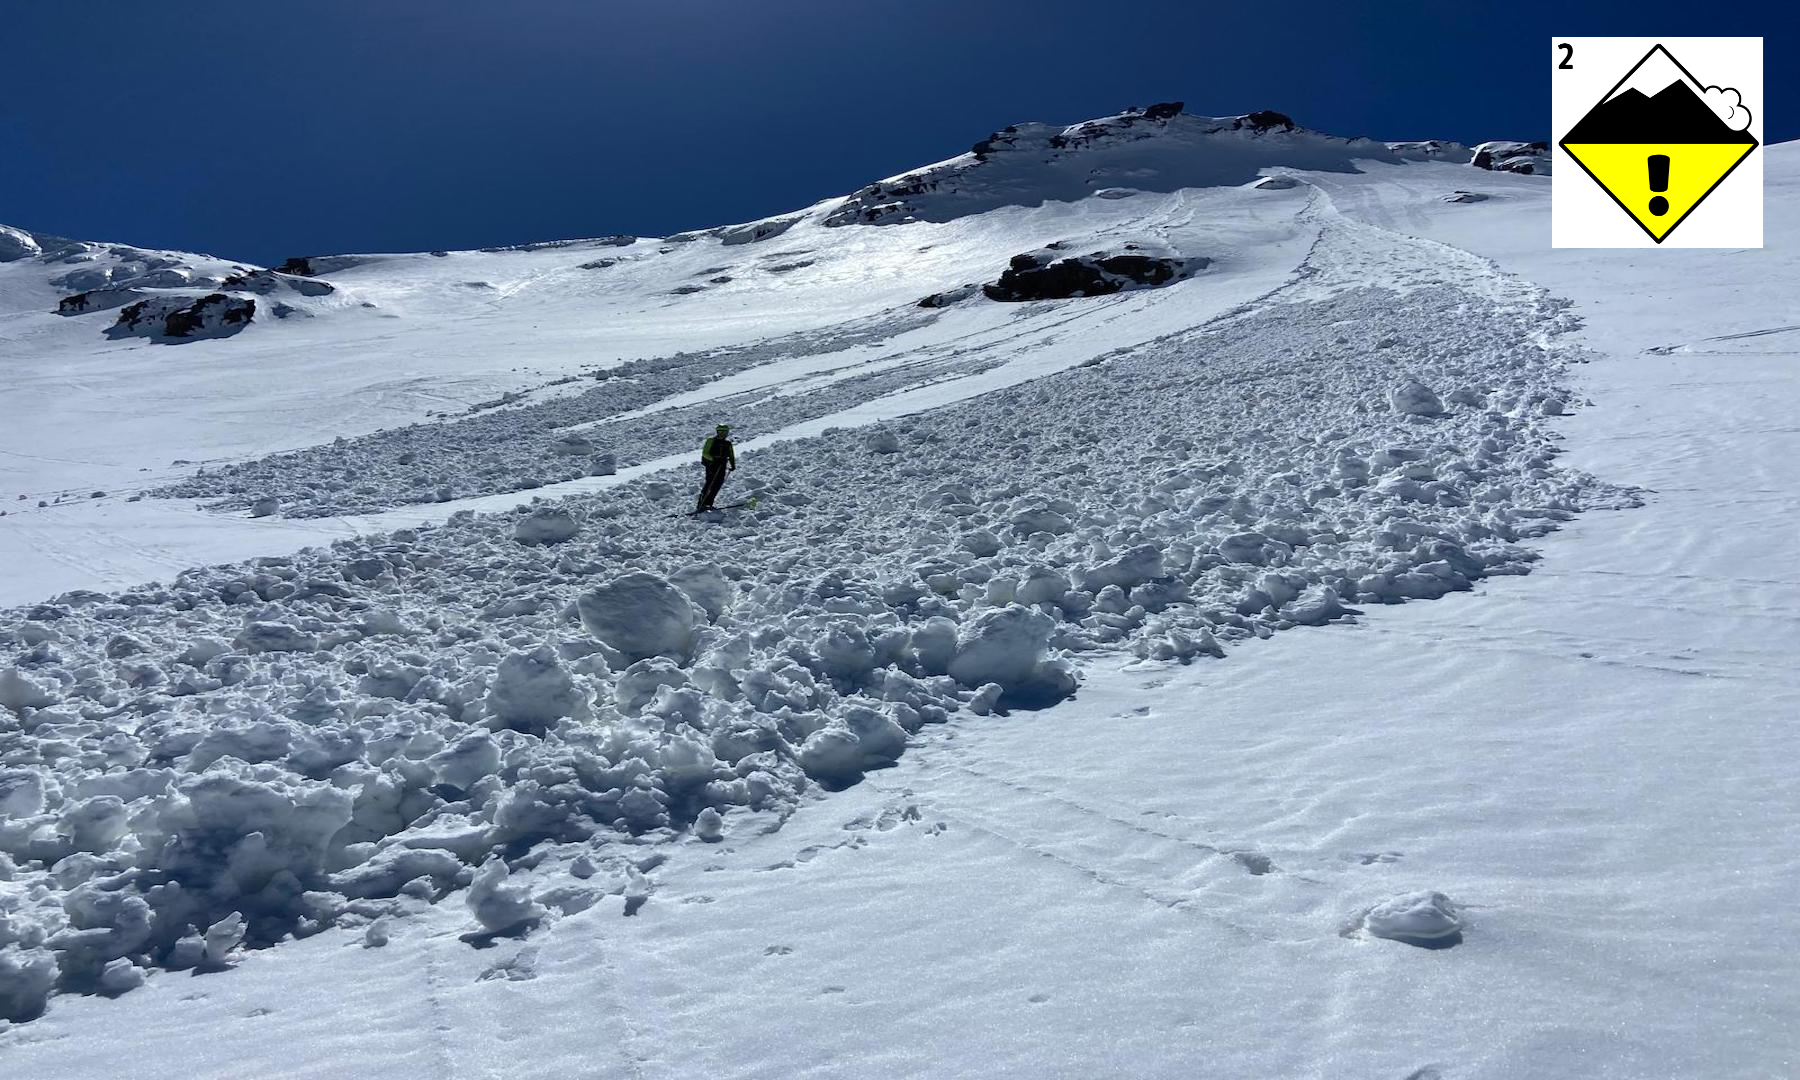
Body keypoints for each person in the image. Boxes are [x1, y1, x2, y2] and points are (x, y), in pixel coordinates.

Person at [696, 423, 736, 511]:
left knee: (717, 485)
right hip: (711, 466)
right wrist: (713, 459)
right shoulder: (711, 441)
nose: (722, 434)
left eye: (724, 432)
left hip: (722, 466)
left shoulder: (727, 443)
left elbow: (731, 454)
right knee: (710, 484)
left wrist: (733, 464)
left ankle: (709, 504)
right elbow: (705, 453)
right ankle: (701, 504)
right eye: (720, 432)